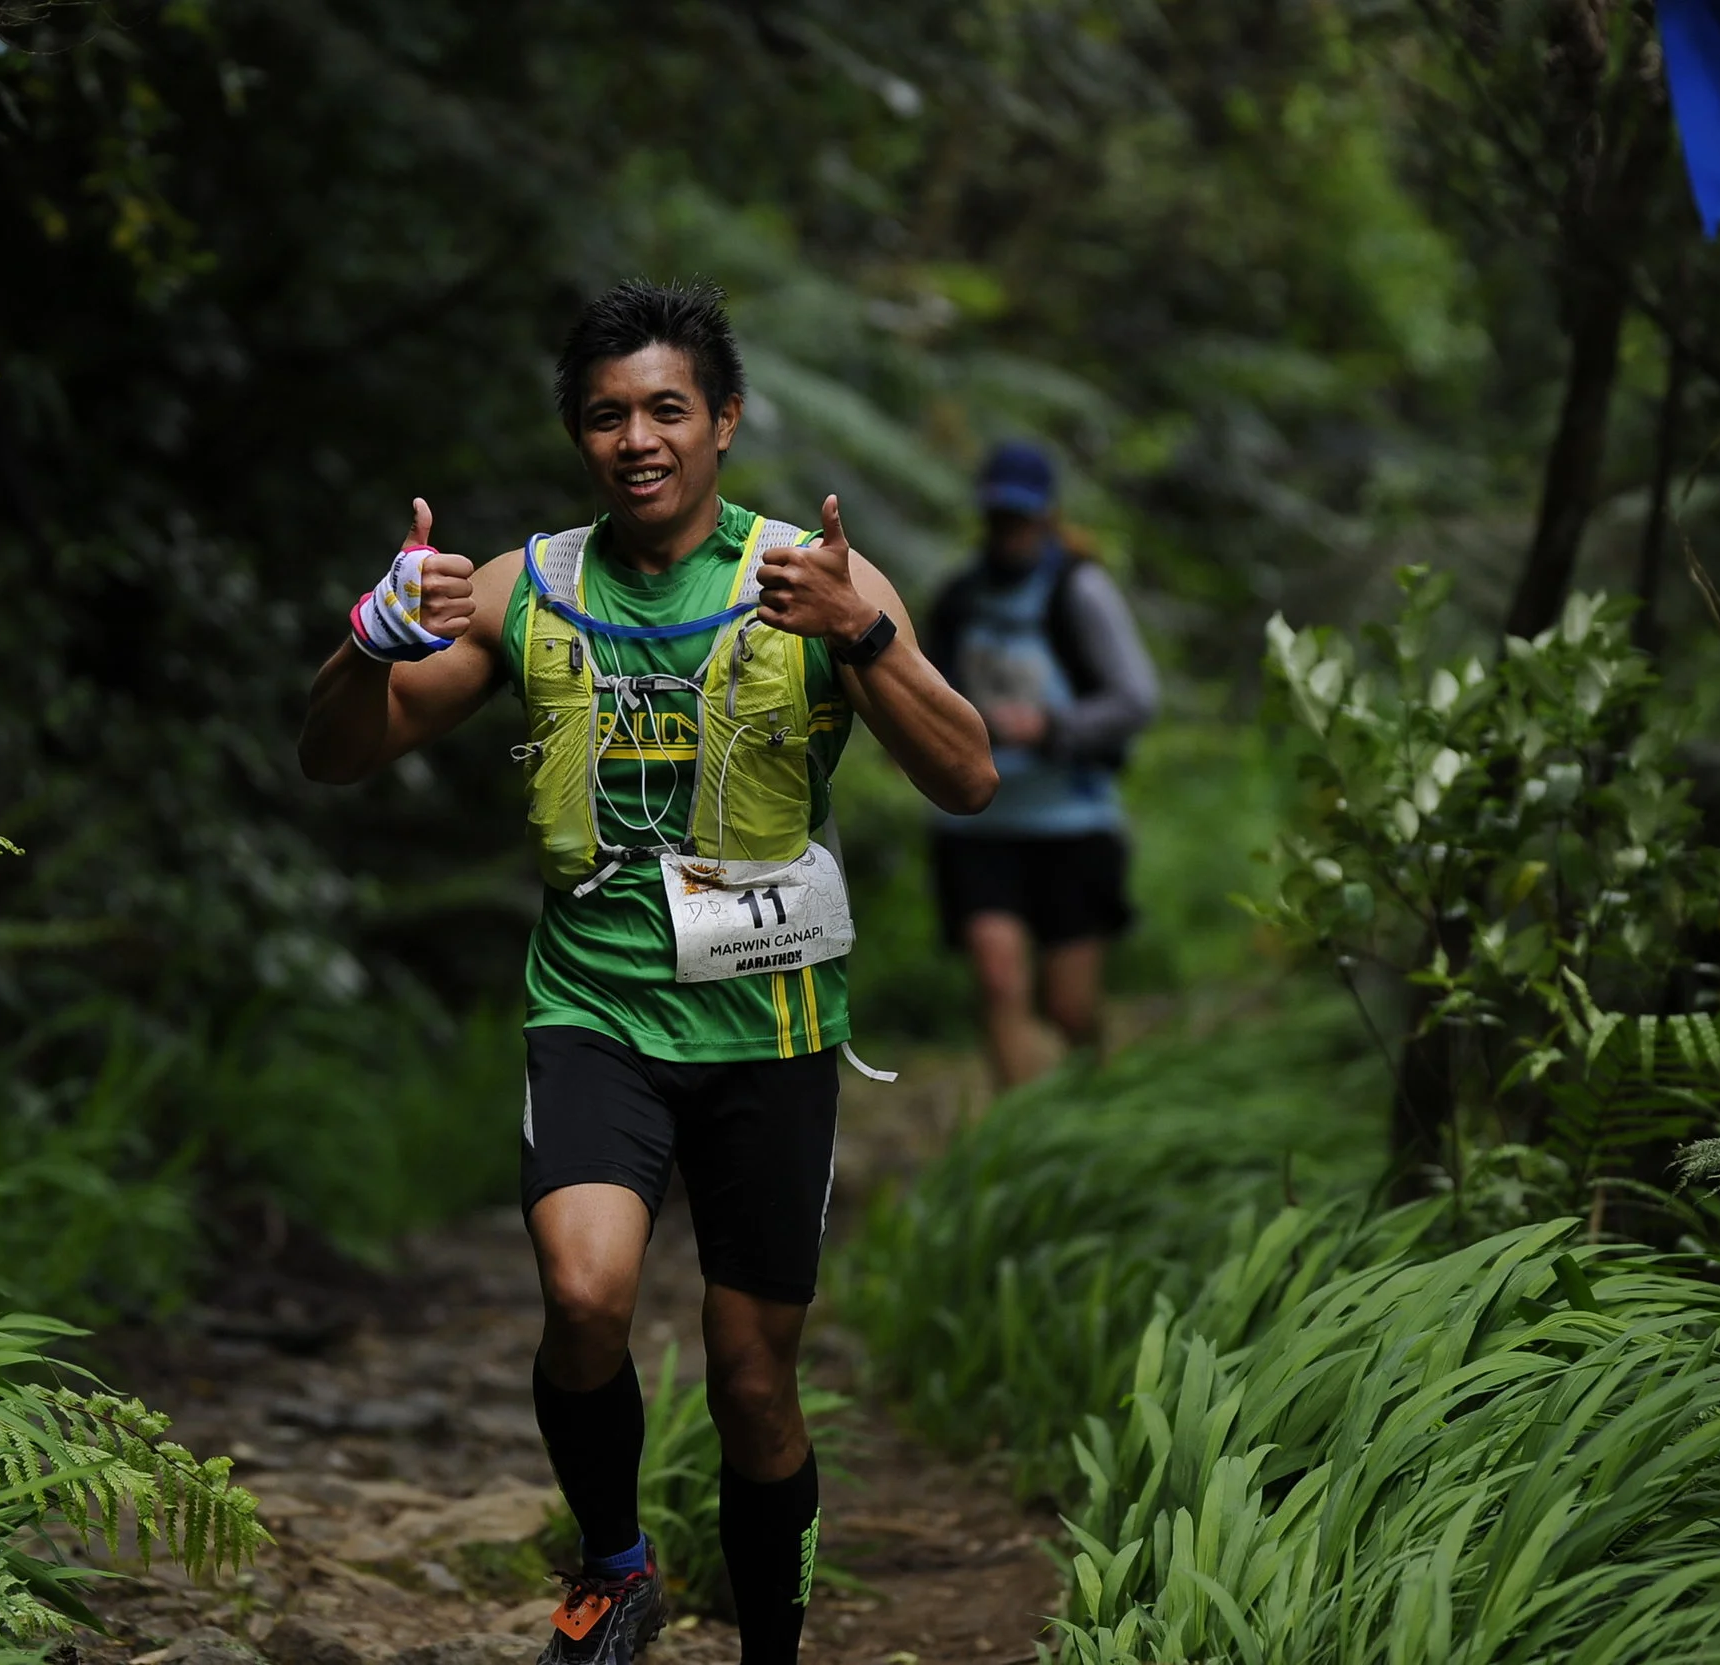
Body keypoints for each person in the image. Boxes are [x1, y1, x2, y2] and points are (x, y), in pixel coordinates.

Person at [298, 280, 994, 1665]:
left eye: (668, 409)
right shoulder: (529, 585)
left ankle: (774, 1650)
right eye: (608, 415)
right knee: (585, 1294)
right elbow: (337, 750)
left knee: (752, 1383)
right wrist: (364, 642)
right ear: (578, 435)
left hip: (774, 1023)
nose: (639, 439)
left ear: (724, 422)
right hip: (596, 1009)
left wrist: (858, 634)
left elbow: (969, 773)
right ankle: (615, 1567)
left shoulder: (811, 576)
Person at [923, 441, 1158, 1089]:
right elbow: (924, 694)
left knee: (1068, 1006)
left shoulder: (1080, 591)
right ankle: (1021, 1138)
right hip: (978, 825)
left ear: (1048, 516)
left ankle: (1094, 1108)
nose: (1010, 532)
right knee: (997, 978)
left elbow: (1137, 697)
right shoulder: (958, 599)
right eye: (1000, 518)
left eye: (1022, 518)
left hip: (1072, 822)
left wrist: (1052, 728)